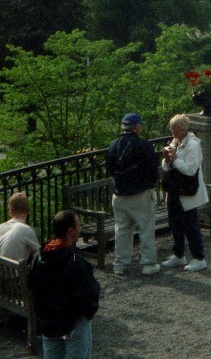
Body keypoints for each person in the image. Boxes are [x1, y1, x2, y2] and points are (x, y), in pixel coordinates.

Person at [28, 209, 100, 359]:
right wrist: (87, 313)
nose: (80, 230)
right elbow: (89, 295)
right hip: (72, 324)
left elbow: (32, 285)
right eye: (79, 226)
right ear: (71, 231)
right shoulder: (76, 262)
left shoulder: (39, 257)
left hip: (49, 324)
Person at [106, 112, 160, 276]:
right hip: (140, 193)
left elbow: (110, 169)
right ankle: (148, 264)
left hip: (119, 195)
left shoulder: (113, 145)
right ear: (137, 127)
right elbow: (152, 170)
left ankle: (120, 264)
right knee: (146, 229)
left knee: (122, 230)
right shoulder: (143, 145)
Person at [161, 114, 209, 272]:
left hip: (187, 191)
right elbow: (167, 167)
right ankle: (179, 254)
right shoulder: (175, 142)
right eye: (171, 128)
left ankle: (199, 257)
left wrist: (175, 159)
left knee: (190, 225)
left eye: (175, 129)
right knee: (175, 223)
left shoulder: (193, 145)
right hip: (175, 190)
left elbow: (190, 169)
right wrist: (167, 160)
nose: (172, 132)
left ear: (183, 129)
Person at [0, 192, 40, 262]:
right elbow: (40, 255)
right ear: (28, 210)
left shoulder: (1, 227)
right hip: (15, 272)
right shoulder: (27, 230)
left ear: (12, 210)